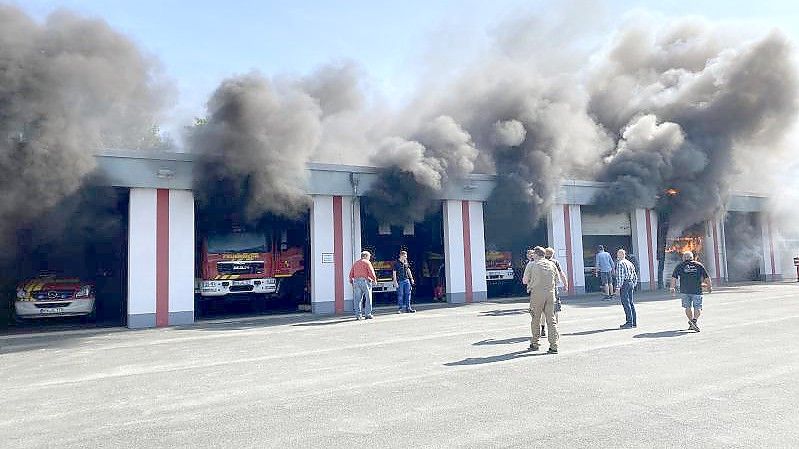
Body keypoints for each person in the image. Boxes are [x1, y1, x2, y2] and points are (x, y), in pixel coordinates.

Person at [522, 246, 560, 354]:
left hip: (537, 294)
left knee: (535, 319)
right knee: (551, 320)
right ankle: (554, 345)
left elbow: (525, 281)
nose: (532, 255)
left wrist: (532, 281)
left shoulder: (531, 264)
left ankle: (535, 343)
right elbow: (557, 280)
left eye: (533, 254)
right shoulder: (552, 264)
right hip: (550, 294)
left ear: (536, 254)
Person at [670, 251, 711, 332]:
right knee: (697, 307)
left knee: (687, 307)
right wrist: (709, 287)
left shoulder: (680, 266)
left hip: (685, 290)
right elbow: (706, 277)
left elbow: (674, 277)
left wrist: (672, 287)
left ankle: (692, 322)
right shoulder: (699, 265)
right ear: (692, 257)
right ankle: (694, 321)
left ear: (683, 258)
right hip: (697, 290)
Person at [349, 250, 378, 320]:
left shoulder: (355, 263)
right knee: (368, 298)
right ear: (365, 256)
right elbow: (371, 272)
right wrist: (374, 279)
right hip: (365, 281)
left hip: (356, 282)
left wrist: (351, 281)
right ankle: (368, 314)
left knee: (357, 299)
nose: (369, 258)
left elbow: (351, 273)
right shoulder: (367, 262)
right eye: (369, 256)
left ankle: (358, 315)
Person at [615, 249, 639, 329]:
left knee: (626, 303)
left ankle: (629, 322)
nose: (617, 256)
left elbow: (620, 277)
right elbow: (635, 275)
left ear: (622, 255)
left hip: (625, 284)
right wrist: (634, 283)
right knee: (631, 303)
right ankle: (634, 322)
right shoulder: (629, 263)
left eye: (618, 254)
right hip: (630, 283)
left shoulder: (620, 263)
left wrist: (618, 287)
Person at [545, 247, 569, 325]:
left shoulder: (541, 262)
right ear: (552, 255)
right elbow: (561, 274)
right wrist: (565, 284)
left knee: (544, 305)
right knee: (555, 305)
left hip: (542, 287)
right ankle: (555, 323)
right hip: (553, 286)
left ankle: (543, 325)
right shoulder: (555, 262)